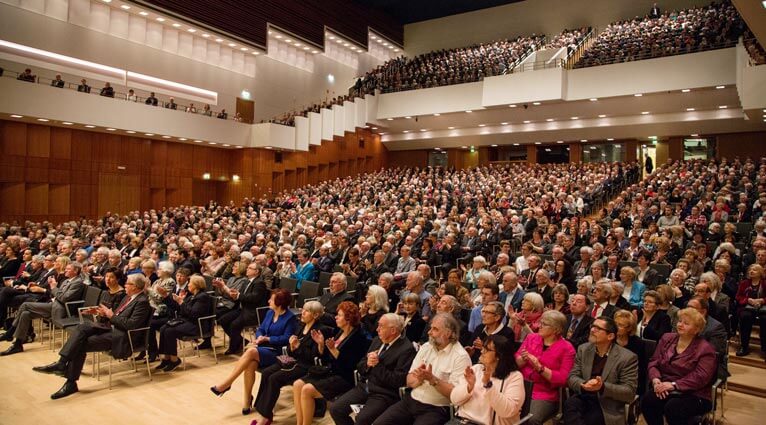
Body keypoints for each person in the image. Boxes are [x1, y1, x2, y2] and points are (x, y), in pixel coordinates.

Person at [31, 273, 152, 399]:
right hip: (110, 328)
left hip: (122, 336)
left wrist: (111, 316)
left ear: (136, 287)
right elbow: (118, 316)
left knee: (80, 343)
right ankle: (62, 364)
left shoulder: (142, 302)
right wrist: (103, 314)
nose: (125, 285)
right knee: (82, 327)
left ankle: (69, 380)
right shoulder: (128, 297)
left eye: (128, 283)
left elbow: (131, 325)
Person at [373, 313, 472, 425]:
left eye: (435, 329)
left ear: (448, 333)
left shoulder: (460, 357)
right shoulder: (426, 347)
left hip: (436, 408)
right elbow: (408, 380)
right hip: (411, 400)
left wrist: (433, 380)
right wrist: (419, 379)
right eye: (430, 328)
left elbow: (455, 395)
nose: (429, 332)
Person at [210, 289, 296, 413]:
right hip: (263, 348)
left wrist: (267, 338)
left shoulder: (290, 318)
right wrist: (258, 338)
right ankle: (247, 400)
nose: (268, 301)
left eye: (271, 299)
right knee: (250, 363)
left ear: (279, 302)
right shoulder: (269, 313)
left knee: (250, 352)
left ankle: (227, 384)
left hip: (278, 352)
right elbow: (260, 328)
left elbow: (287, 338)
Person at [247, 301, 331, 423]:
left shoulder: (321, 330)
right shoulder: (301, 326)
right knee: (266, 373)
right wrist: (292, 346)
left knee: (274, 378)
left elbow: (315, 358)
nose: (302, 313)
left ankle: (265, 417)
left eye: (307, 311)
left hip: (307, 366)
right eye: (303, 309)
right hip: (294, 360)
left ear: (316, 315)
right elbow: (292, 350)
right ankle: (263, 410)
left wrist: (298, 347)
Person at [330, 313, 417, 425]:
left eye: (381, 326)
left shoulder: (406, 349)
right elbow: (360, 365)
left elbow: (397, 380)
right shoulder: (377, 340)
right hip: (364, 386)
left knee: (361, 419)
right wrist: (367, 363)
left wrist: (377, 365)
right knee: (336, 409)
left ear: (393, 331)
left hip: (384, 393)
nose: (377, 329)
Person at [293, 301, 369, 425]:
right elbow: (325, 358)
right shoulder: (338, 332)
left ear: (348, 319)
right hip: (330, 371)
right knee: (297, 384)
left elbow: (351, 365)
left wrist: (333, 350)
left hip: (344, 377)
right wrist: (321, 345)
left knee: (307, 389)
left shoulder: (358, 338)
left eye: (339, 315)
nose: (335, 317)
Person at [642, 308, 717, 425]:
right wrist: (656, 380)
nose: (680, 325)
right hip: (665, 386)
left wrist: (673, 385)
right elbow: (654, 361)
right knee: (648, 400)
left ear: (696, 329)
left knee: (673, 408)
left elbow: (701, 377)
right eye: (680, 321)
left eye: (686, 323)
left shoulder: (705, 348)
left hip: (695, 393)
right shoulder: (667, 338)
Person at [564, 316, 638, 425]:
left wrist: (602, 387)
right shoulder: (583, 349)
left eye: (598, 328)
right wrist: (584, 384)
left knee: (591, 419)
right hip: (584, 396)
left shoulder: (627, 358)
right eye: (592, 326)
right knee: (570, 404)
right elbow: (572, 376)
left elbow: (629, 392)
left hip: (607, 403)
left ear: (610, 336)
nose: (592, 330)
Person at [1, 262, 85, 355]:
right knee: (25, 314)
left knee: (25, 305)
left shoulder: (78, 283)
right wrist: (54, 291)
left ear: (76, 271)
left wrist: (53, 287)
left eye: (68, 269)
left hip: (62, 309)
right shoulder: (67, 280)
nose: (65, 270)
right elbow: (58, 295)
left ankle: (10, 333)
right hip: (53, 305)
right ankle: (18, 345)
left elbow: (64, 298)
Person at [516, 309, 575, 425]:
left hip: (544, 393)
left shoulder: (567, 349)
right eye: (540, 322)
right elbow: (515, 362)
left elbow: (563, 379)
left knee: (530, 419)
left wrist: (540, 368)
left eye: (544, 324)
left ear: (556, 329)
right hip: (520, 385)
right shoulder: (531, 338)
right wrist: (523, 359)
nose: (539, 326)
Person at [451, 334, 526, 425]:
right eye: (483, 347)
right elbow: (454, 399)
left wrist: (488, 386)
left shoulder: (514, 377)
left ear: (499, 355)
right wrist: (469, 387)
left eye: (486, 349)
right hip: (463, 421)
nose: (482, 351)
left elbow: (508, 411)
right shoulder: (476, 369)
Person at [156, 274, 213, 372]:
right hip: (187, 321)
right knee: (163, 328)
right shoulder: (192, 296)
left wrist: (181, 302)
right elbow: (178, 309)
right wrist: (166, 296)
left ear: (196, 285)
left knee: (170, 331)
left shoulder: (202, 297)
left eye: (190, 283)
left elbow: (194, 314)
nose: (188, 285)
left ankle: (174, 360)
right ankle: (166, 358)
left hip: (197, 325)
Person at [219, 261, 270, 354]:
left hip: (252, 312)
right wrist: (235, 295)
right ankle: (241, 341)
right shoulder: (247, 281)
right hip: (243, 309)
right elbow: (242, 295)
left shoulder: (259, 283)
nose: (247, 269)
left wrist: (238, 295)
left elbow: (254, 298)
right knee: (223, 320)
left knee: (234, 325)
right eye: (248, 267)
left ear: (257, 271)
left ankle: (234, 347)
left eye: (250, 268)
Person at [613, 309, 651, 397]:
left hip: (630, 380)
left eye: (620, 325)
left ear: (629, 328)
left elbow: (641, 369)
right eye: (615, 324)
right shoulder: (609, 339)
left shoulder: (638, 343)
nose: (616, 328)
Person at [735, 263, 766, 356]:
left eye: (755, 270)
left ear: (760, 272)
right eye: (750, 270)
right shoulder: (744, 283)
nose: (751, 271)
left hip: (763, 308)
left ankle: (765, 349)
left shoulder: (764, 283)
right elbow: (738, 296)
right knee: (745, 317)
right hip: (748, 306)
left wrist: (762, 300)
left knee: (765, 319)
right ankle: (744, 347)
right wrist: (748, 300)